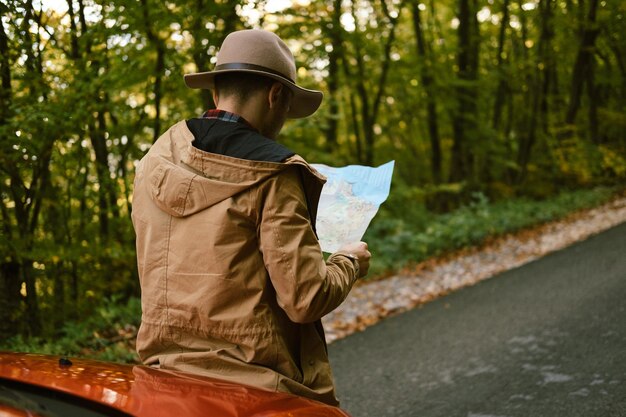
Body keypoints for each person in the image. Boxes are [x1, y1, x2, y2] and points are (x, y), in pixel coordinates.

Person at [131, 29, 371, 406]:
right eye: (287, 107)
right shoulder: (275, 174)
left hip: (163, 384)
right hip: (258, 389)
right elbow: (306, 297)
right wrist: (348, 262)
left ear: (215, 92)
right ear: (277, 95)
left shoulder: (152, 165)